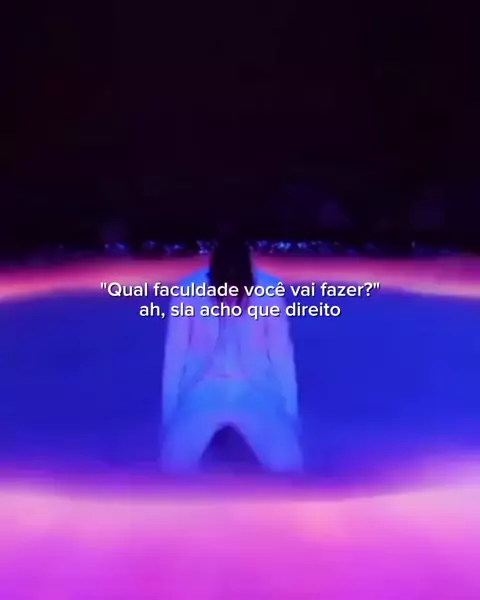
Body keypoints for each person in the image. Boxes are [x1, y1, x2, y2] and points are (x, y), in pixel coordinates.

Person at [160, 234, 303, 473]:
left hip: (255, 386)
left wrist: (290, 414)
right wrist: (170, 416)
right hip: (203, 386)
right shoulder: (187, 290)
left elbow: (281, 355)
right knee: (173, 464)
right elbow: (175, 354)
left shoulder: (270, 290)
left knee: (289, 465)